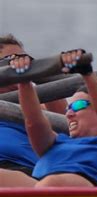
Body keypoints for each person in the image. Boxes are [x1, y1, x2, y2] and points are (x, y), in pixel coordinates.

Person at [0, 49, 97, 187]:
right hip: (42, 193)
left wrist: (87, 73)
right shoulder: (54, 144)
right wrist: (24, 80)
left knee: (54, 183)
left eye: (78, 105)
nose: (68, 113)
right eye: (68, 107)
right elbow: (33, 121)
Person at [0, 34, 67, 184]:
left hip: (32, 174)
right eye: (11, 59)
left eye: (23, 58)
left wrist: (41, 72)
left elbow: (64, 118)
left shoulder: (38, 107)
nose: (19, 63)